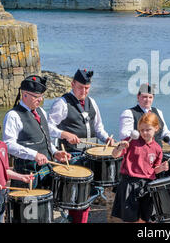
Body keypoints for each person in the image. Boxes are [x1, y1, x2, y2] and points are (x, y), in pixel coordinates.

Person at [48, 69, 113, 223]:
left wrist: (107, 139)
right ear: (72, 84)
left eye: (87, 88)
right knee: (76, 199)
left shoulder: (92, 103)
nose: (84, 91)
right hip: (72, 157)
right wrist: (64, 134)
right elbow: (48, 127)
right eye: (81, 87)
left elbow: (99, 129)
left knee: (86, 198)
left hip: (90, 156)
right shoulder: (62, 103)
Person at [3, 75, 70, 190]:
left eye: (42, 96)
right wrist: (34, 155)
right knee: (28, 208)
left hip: (46, 171)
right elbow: (8, 145)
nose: (40, 100)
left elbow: (45, 139)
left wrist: (55, 152)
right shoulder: (13, 116)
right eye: (36, 97)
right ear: (24, 94)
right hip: (26, 175)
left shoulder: (41, 111)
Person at [111, 112, 169, 223]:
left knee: (145, 219)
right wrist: (119, 147)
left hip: (147, 186)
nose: (144, 133)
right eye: (142, 130)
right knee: (130, 220)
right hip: (129, 184)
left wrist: (161, 168)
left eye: (148, 130)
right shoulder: (131, 141)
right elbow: (114, 155)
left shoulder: (157, 148)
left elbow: (154, 169)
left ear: (156, 128)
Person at [119, 83, 170, 149]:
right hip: (138, 153)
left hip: (157, 151)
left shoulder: (158, 112)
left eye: (150, 97)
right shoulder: (128, 113)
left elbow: (164, 132)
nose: (148, 100)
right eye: (144, 97)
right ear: (138, 97)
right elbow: (124, 135)